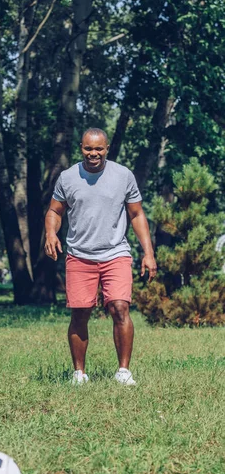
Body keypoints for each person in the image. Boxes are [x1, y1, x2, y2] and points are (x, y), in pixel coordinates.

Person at [44, 128, 157, 386]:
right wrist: (51, 233)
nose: (93, 154)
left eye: (99, 149)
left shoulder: (122, 176)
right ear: (81, 148)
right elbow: (54, 211)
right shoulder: (68, 177)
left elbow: (137, 214)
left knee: (120, 308)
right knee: (81, 313)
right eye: (88, 149)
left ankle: (123, 371)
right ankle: (79, 374)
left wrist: (148, 253)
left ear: (107, 149)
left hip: (115, 252)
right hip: (79, 255)